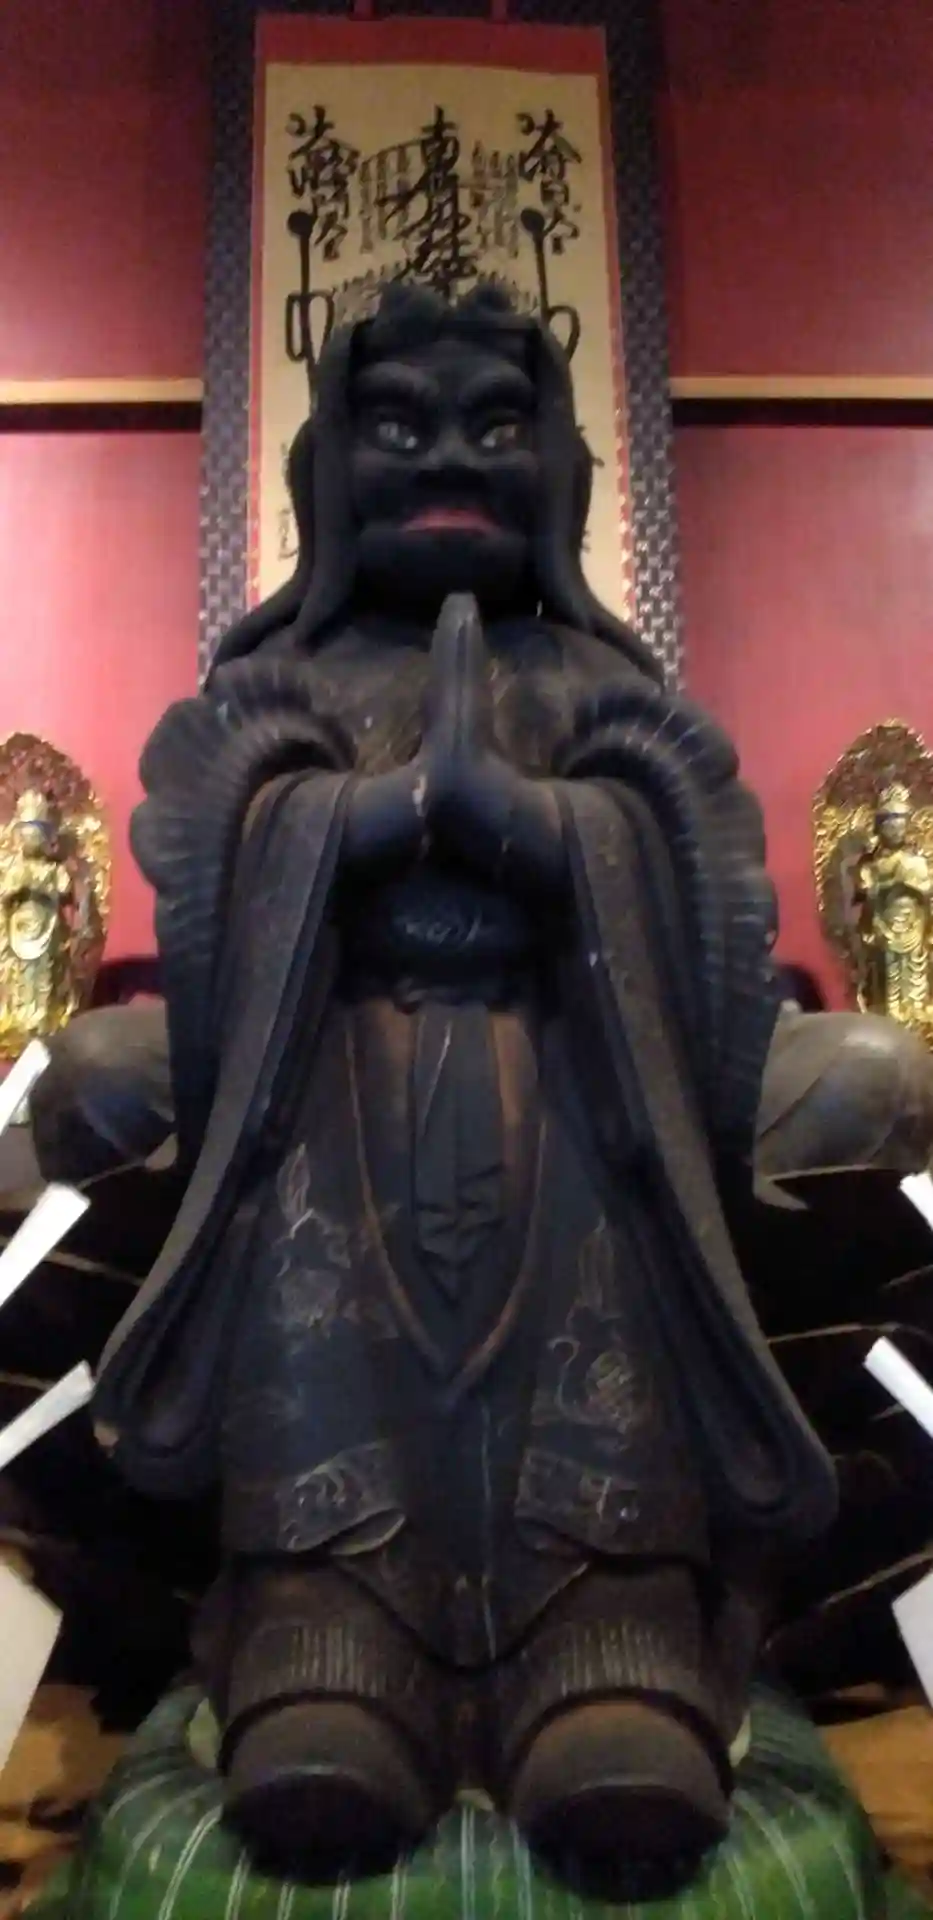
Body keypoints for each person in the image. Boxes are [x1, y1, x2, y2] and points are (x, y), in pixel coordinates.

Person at [34, 285, 837, 1896]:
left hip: (582, 1116)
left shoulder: (599, 689)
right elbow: (212, 847)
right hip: (326, 1104)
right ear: (327, 471)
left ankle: (609, 1638)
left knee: (600, 1411)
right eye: (398, 426)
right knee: (321, 1389)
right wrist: (377, 815)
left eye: (498, 423)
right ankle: (327, 1634)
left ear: (566, 469)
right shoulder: (283, 687)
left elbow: (697, 880)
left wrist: (549, 833)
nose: (453, 457)